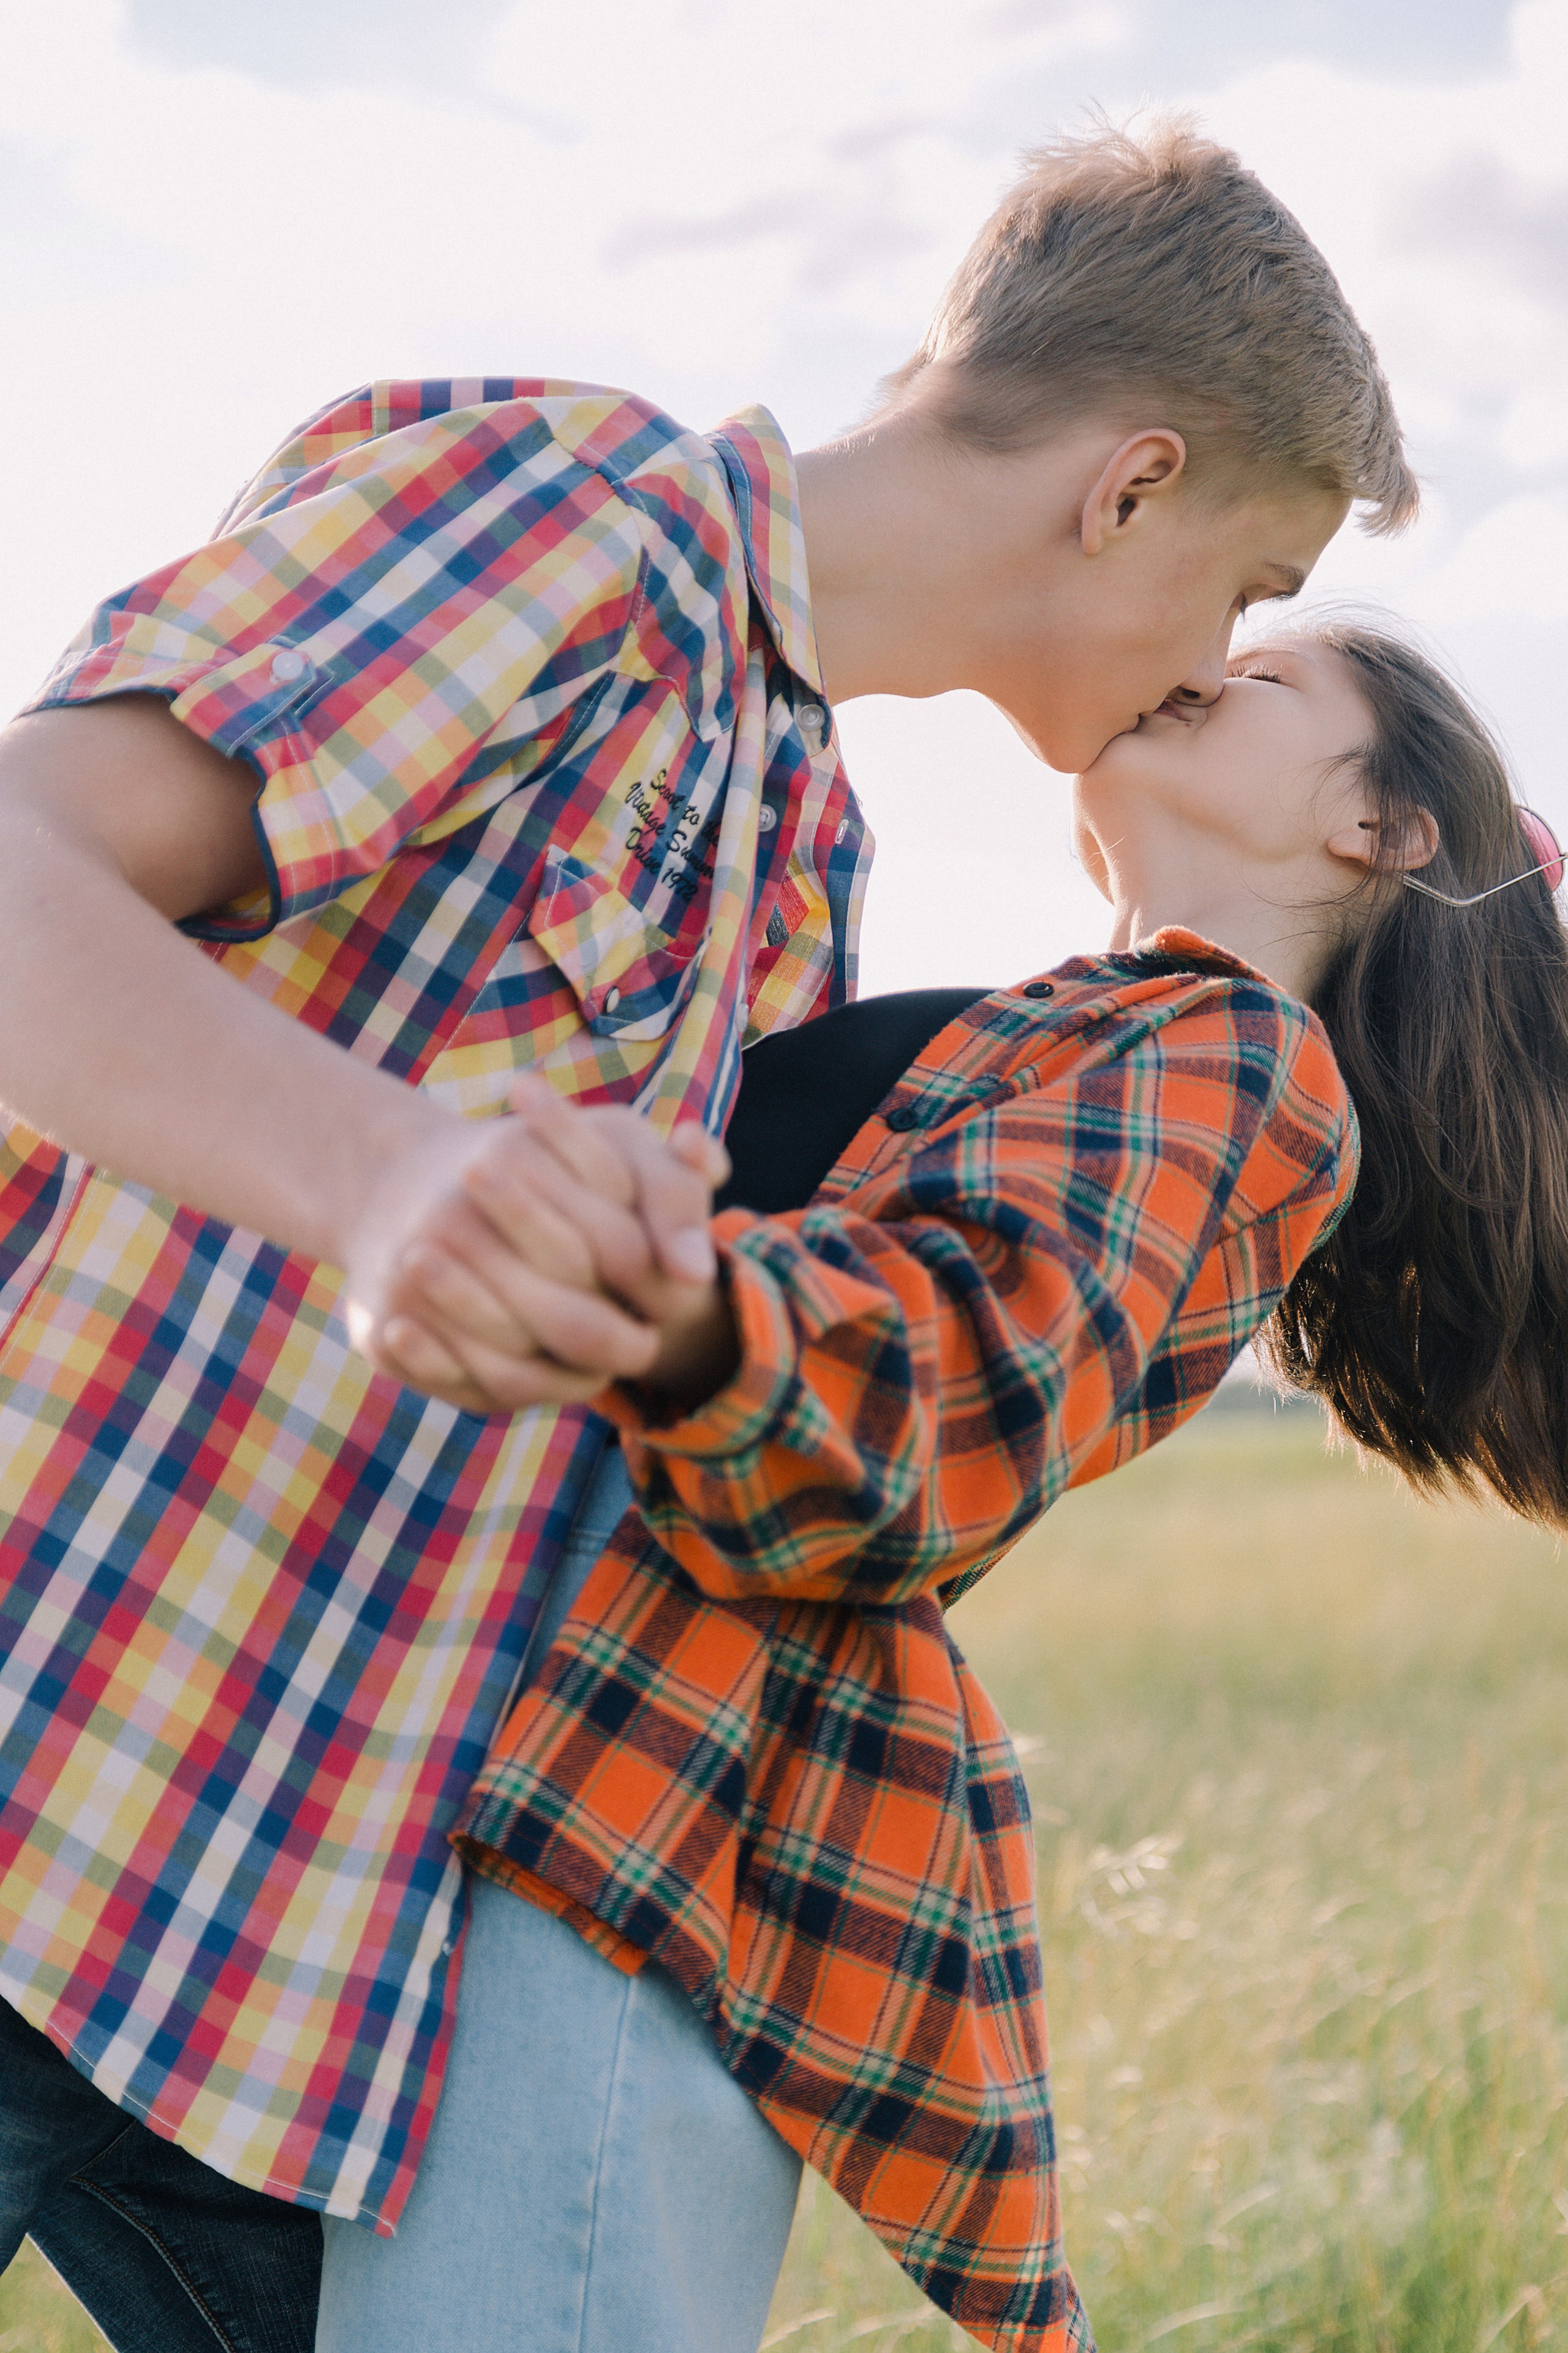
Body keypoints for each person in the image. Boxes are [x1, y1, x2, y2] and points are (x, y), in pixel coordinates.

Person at [0, 124, 1411, 2353]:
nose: (1205, 656)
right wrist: (382, 1176)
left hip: (266, 1924)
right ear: (1131, 485)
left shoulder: (806, 837)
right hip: (48, 1729)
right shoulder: (574, 519)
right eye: (1239, 594)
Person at [302, 618, 1568, 2353]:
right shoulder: (1061, 1031)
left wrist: (653, 1291)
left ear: (1383, 828)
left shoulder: (1246, 1060)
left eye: (1267, 674)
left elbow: (953, 1403)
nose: (1203, 658)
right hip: (471, 1790)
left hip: (630, 1829)